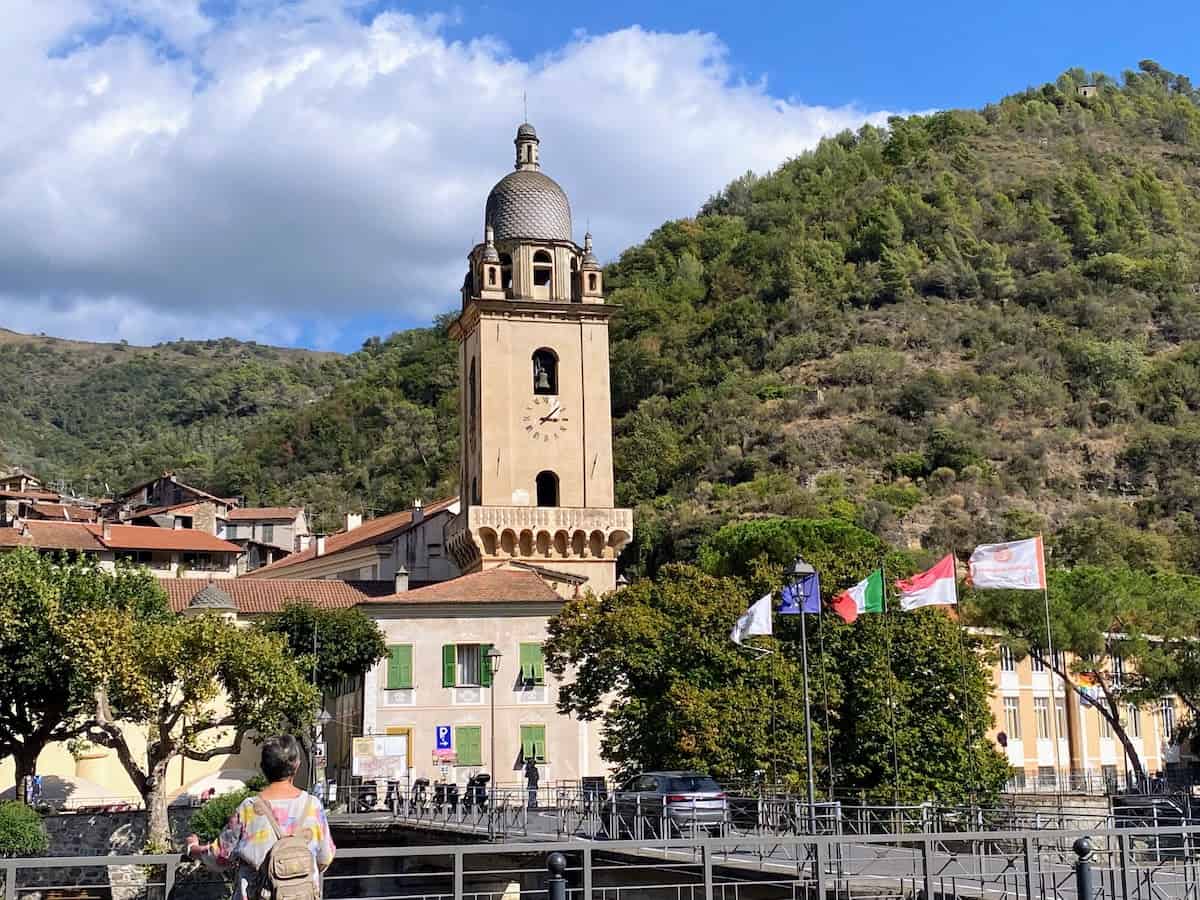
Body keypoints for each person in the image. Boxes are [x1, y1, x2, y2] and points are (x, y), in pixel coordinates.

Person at [185, 735, 335, 899]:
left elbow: (220, 856)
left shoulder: (249, 808)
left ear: (263, 767)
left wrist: (193, 848)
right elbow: (325, 858)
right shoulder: (313, 806)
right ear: (297, 765)